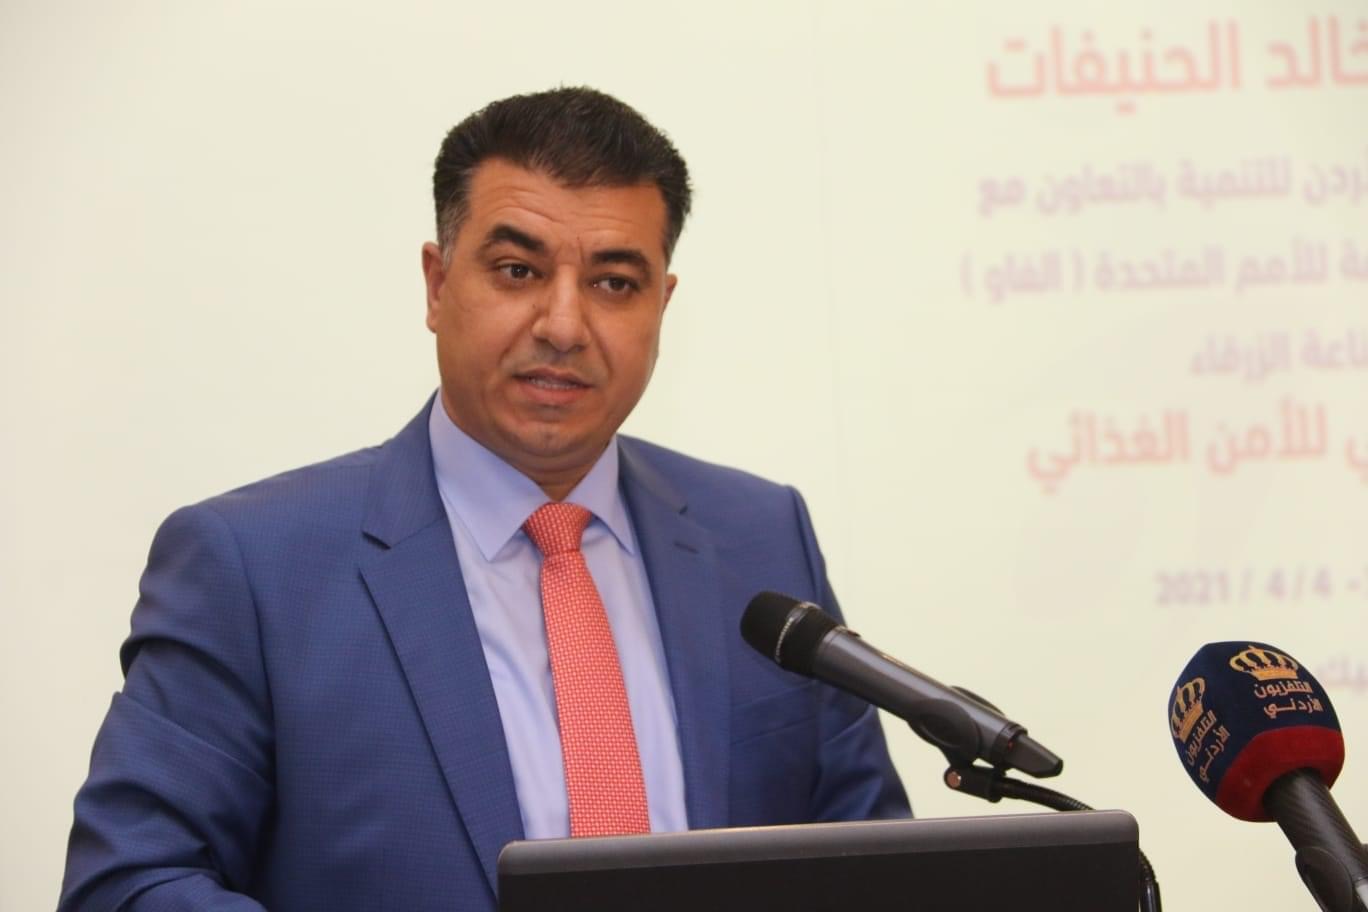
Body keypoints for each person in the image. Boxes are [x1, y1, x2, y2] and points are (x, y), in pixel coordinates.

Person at [60, 86, 908, 912]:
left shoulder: (760, 537)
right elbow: (128, 883)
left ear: (663, 304)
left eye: (615, 283)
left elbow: (874, 866)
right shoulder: (253, 568)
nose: (564, 325)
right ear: (437, 285)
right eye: (517, 271)